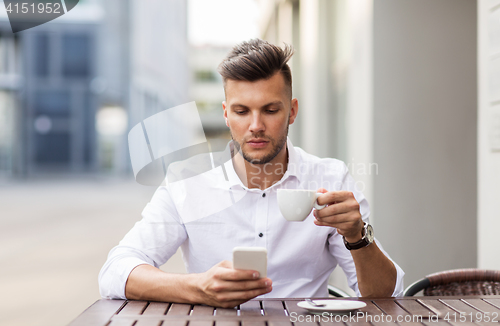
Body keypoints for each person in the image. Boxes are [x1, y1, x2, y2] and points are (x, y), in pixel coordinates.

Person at [99, 39, 404, 308]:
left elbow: (388, 295)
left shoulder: (330, 178)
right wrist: (197, 288)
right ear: (226, 114)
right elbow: (115, 272)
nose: (256, 125)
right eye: (242, 111)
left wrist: (358, 235)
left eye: (270, 110)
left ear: (292, 112)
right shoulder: (186, 182)